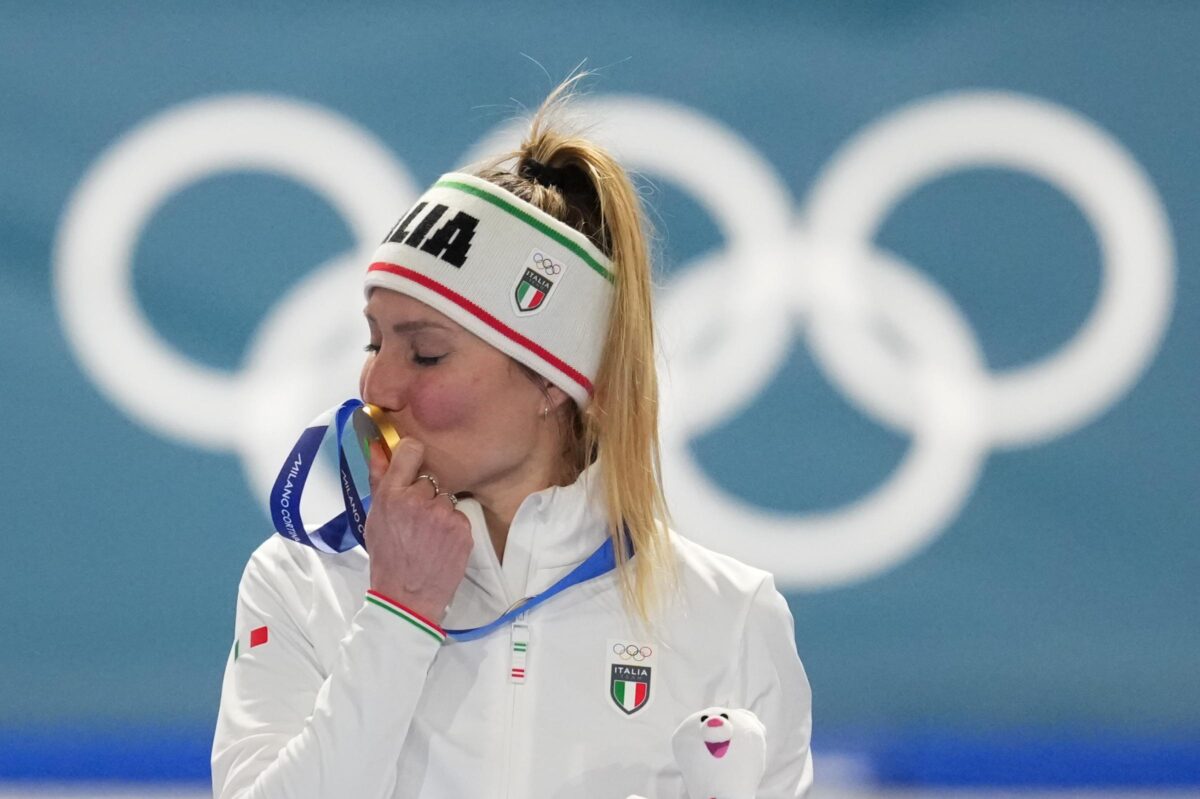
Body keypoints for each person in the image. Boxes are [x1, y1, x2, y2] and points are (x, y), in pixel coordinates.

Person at [212, 78, 813, 799]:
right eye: (374, 342)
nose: (377, 384)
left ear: (554, 382)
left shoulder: (729, 617)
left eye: (425, 353)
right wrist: (399, 612)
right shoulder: (303, 580)